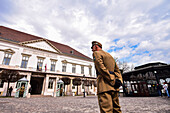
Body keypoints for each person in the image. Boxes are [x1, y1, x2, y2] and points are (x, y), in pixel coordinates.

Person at [91, 41, 123, 113]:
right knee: (117, 109)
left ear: (96, 46)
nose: (92, 50)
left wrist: (112, 80)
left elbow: (101, 68)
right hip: (114, 87)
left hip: (104, 86)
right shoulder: (110, 56)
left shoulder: (96, 53)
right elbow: (117, 70)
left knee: (106, 110)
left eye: (92, 48)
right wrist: (119, 80)